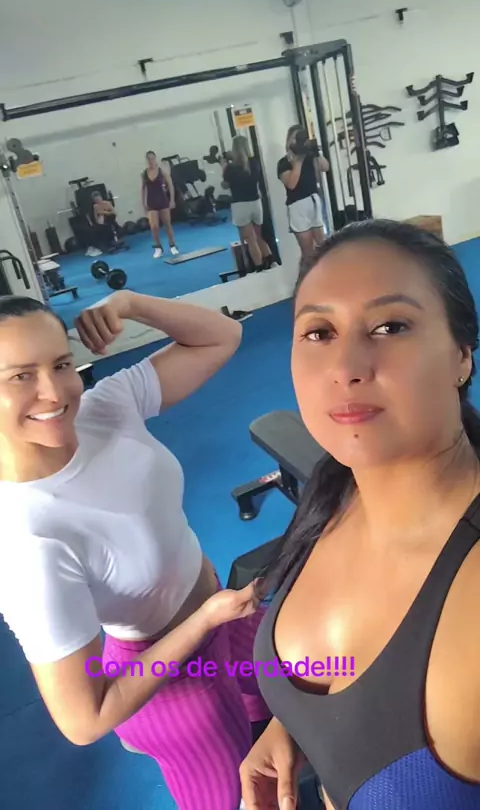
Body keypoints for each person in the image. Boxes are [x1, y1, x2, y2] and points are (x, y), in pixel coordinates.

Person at [240, 220, 480, 810]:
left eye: (390, 326)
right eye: (319, 332)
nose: (345, 366)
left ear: (461, 356)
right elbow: (353, 684)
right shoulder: (335, 491)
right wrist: (299, 725)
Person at [0, 290, 270, 810]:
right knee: (241, 799)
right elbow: (84, 721)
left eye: (61, 364)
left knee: (300, 708)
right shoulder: (25, 543)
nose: (54, 392)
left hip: (227, 616)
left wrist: (129, 303)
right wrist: (204, 621)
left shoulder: (101, 409)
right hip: (176, 688)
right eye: (20, 376)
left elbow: (222, 336)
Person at [277, 125, 329, 258]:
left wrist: (316, 152)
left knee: (323, 247)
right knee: (308, 251)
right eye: (295, 138)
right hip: (297, 206)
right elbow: (291, 184)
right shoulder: (283, 163)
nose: (297, 142)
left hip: (314, 202)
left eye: (300, 138)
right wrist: (298, 161)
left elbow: (325, 167)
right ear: (289, 141)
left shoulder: (310, 157)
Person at [222, 136, 272, 272]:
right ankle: (270, 263)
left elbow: (225, 185)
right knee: (259, 237)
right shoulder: (254, 163)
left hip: (241, 205)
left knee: (251, 240)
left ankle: (259, 268)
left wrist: (223, 167)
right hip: (256, 203)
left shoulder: (231, 168)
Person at [142, 151, 179, 258]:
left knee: (167, 224)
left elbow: (170, 185)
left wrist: (172, 200)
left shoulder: (161, 171)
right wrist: (143, 203)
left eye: (152, 158)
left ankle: (172, 245)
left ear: (155, 159)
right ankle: (158, 248)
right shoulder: (144, 174)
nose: (151, 161)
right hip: (151, 202)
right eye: (149, 159)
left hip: (162, 201)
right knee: (154, 226)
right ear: (147, 160)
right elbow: (143, 189)